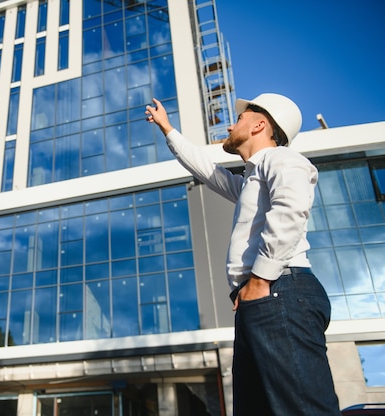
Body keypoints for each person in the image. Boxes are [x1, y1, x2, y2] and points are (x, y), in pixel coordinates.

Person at [145, 94, 341, 415]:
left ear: (260, 125)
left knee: (303, 408)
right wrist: (168, 129)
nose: (231, 124)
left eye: (240, 118)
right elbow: (208, 171)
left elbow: (291, 209)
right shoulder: (251, 179)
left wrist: (260, 280)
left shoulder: (281, 159)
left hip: (280, 291)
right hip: (261, 300)